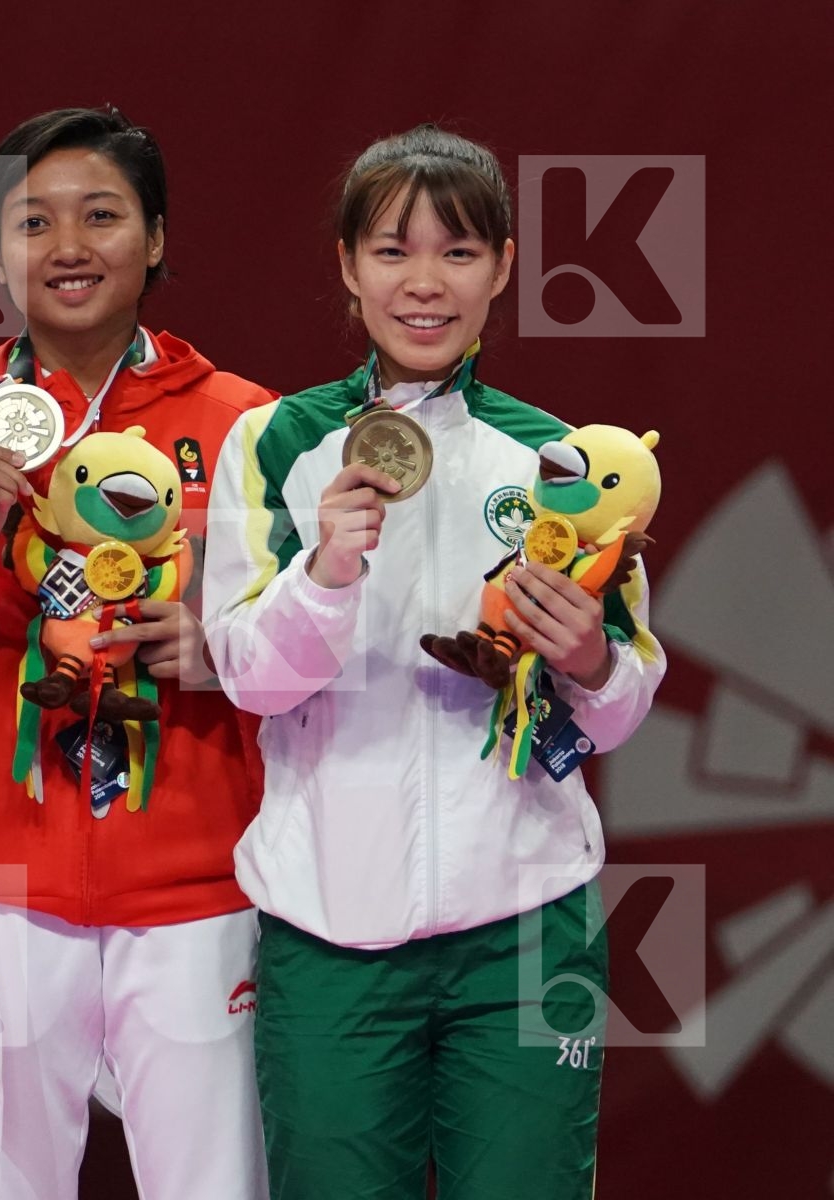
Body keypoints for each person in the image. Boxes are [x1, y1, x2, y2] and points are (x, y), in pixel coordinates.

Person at [201, 124, 666, 1198]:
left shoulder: (563, 459)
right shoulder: (278, 442)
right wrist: (324, 574)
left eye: (458, 252)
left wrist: (590, 657)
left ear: (504, 266)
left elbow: (622, 703)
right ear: (347, 268)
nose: (425, 283)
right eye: (393, 251)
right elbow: (252, 678)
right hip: (327, 923)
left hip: (523, 923)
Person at [0, 106, 273, 1200]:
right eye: (34, 221)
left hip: (199, 887)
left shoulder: (250, 430)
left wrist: (220, 651)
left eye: (103, 215)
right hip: (7, 891)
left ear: (159, 237)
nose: (69, 245)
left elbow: (316, 648)